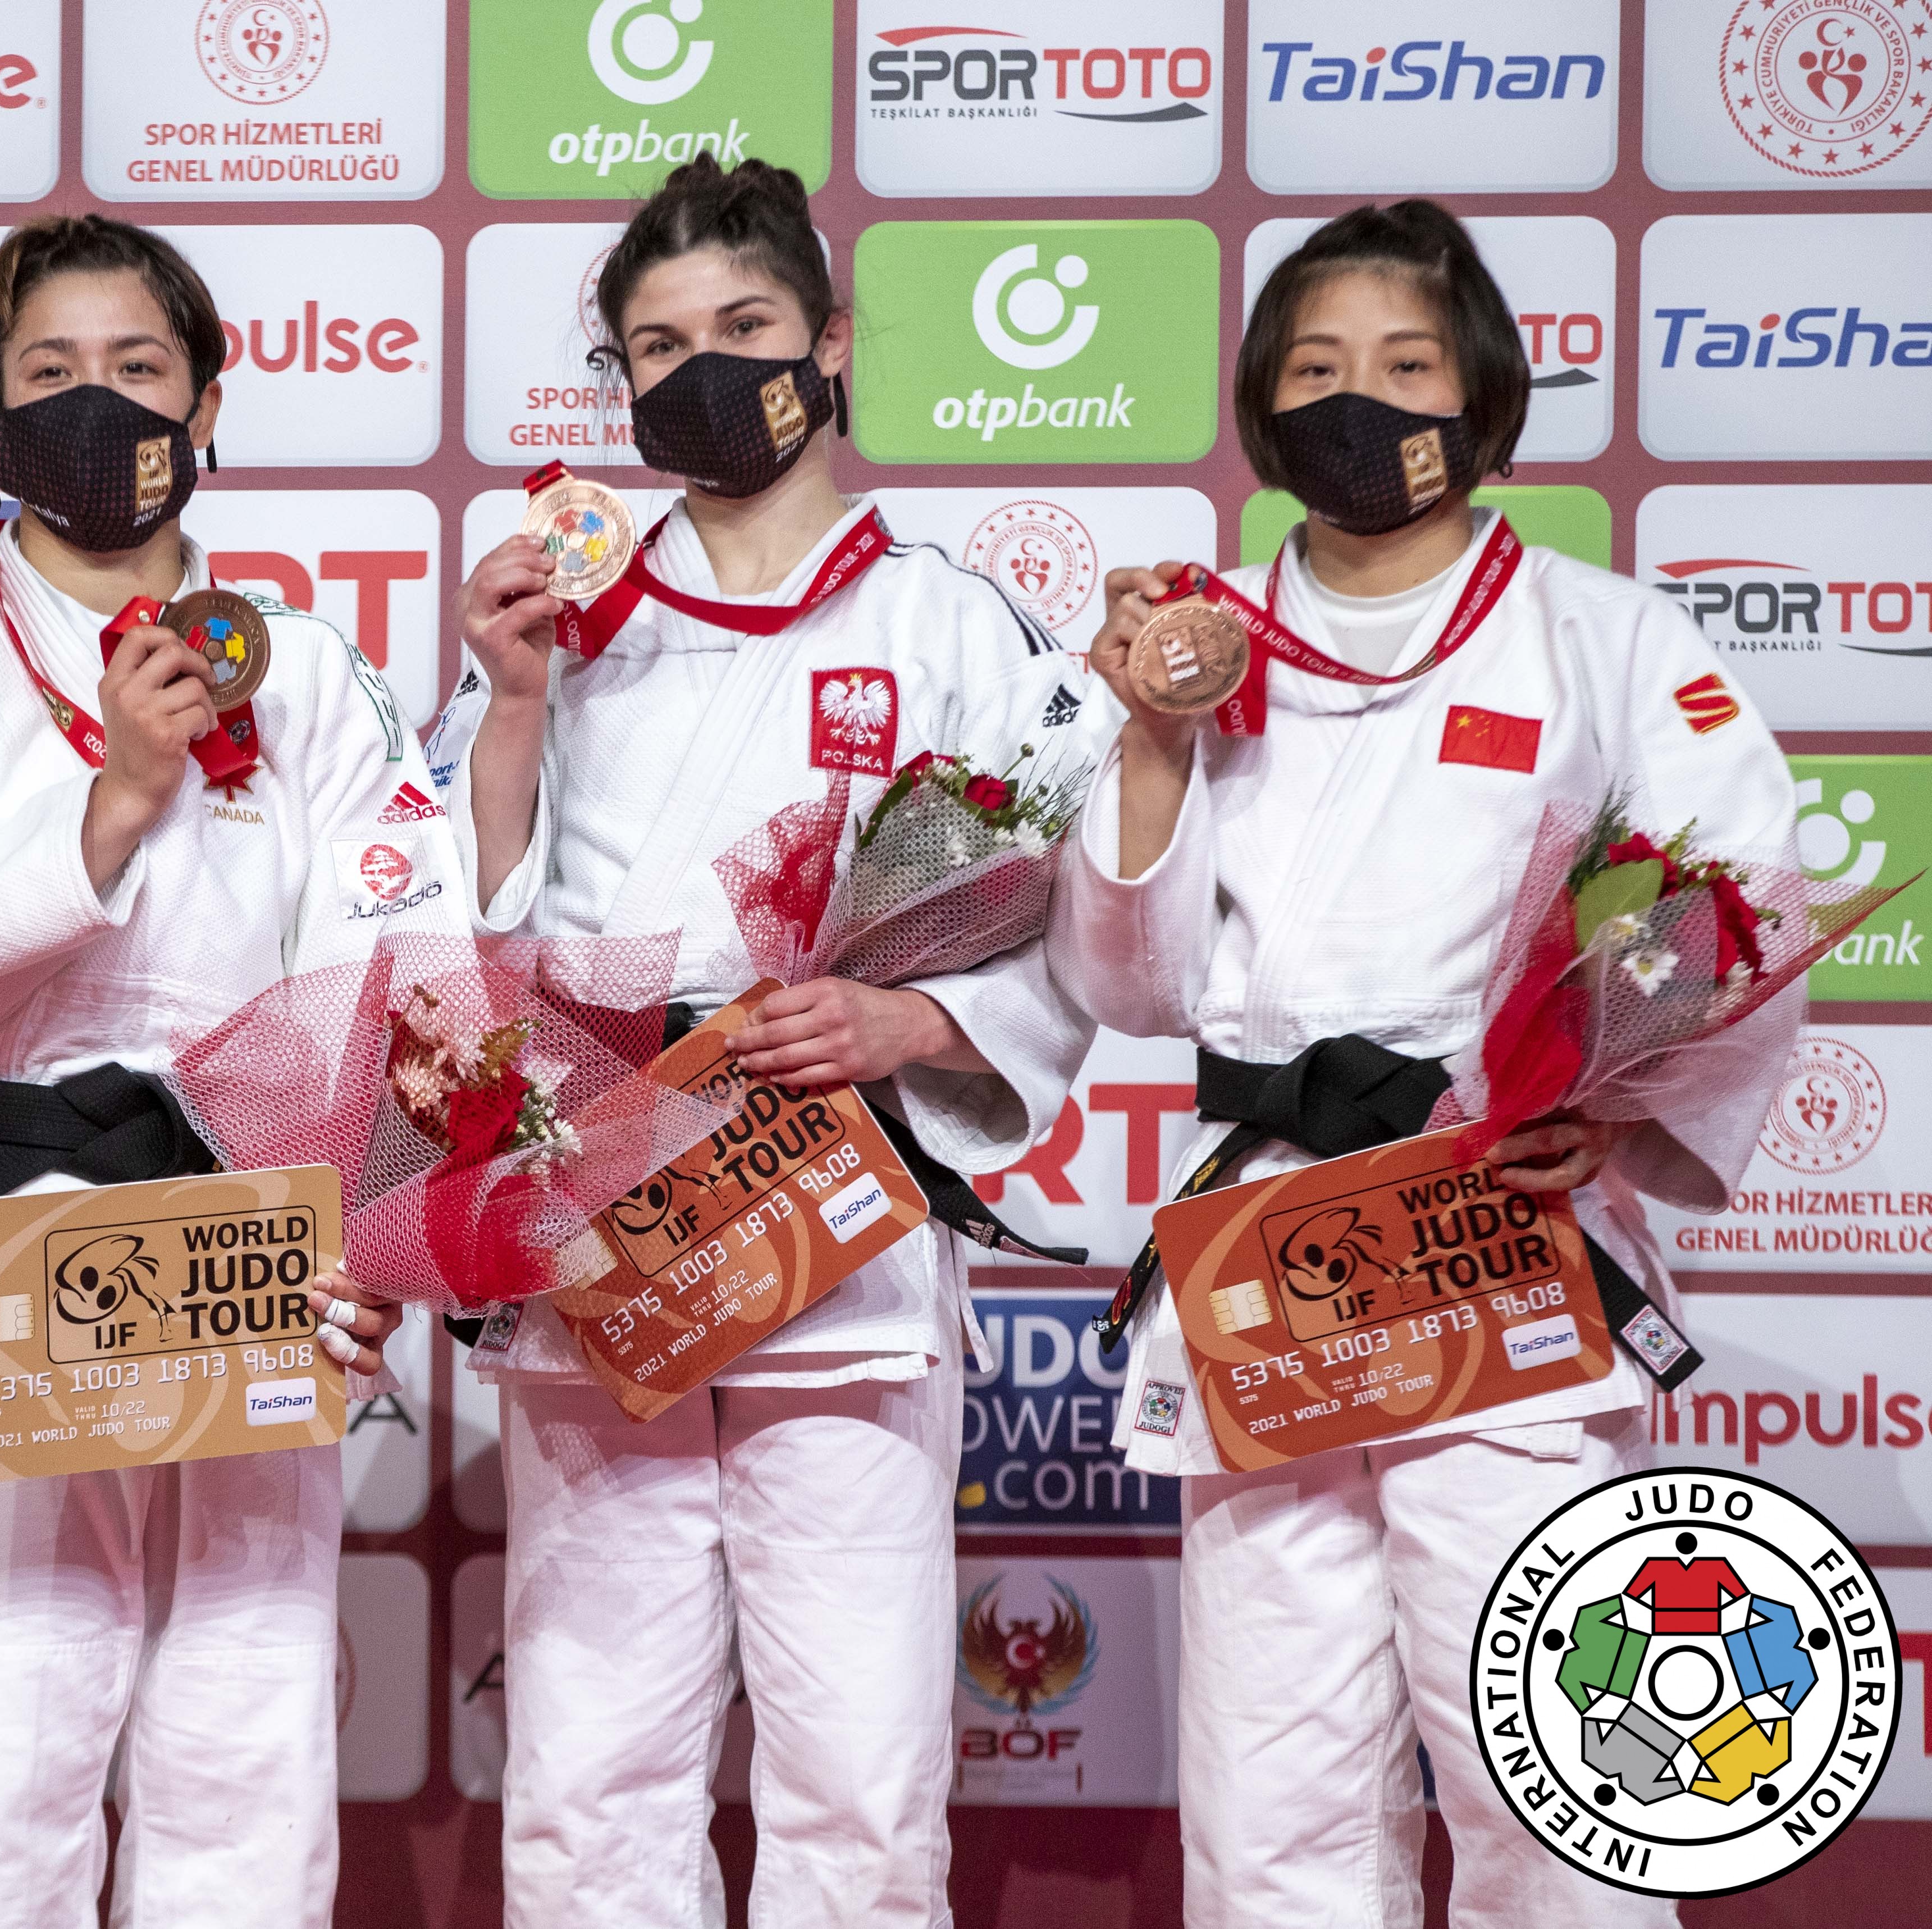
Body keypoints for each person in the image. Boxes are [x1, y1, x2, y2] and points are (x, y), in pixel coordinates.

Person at [1053, 200, 1799, 1928]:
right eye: (1315, 367)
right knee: (1269, 1786)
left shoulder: (1601, 635)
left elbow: (1733, 899)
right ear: (1256, 399)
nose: (1360, 399)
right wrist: (1153, 740)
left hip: (1493, 1223)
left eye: (1405, 364)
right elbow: (1128, 974)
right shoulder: (1195, 637)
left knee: (1549, 1748)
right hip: (1274, 1243)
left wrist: (1613, 1095)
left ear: (1479, 393)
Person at [434, 156, 1102, 1926]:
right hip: (606, 1236)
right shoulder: (557, 616)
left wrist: (911, 1012)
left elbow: (1067, 925)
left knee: (861, 1781)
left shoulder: (954, 621)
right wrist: (509, 708)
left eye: (742, 327)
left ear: (827, 338)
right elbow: (445, 925)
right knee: (590, 1775)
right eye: (655, 345)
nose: (702, 370)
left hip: (842, 1232)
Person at [0, 212, 459, 1929]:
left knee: (244, 1743)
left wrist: (370, 1232)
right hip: (4, 1239)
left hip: (252, 1229)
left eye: (140, 371)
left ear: (212, 403)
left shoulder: (301, 666)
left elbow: (402, 973)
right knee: (1, 1747)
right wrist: (110, 797)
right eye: (52, 374)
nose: (99, 406)